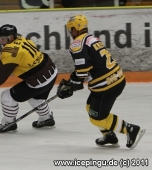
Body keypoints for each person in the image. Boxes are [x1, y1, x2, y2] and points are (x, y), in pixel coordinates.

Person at [57, 15, 145, 149]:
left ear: (75, 29)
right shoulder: (92, 38)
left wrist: (71, 85)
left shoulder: (77, 43)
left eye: (71, 29)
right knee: (90, 107)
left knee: (96, 118)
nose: (70, 33)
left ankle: (130, 129)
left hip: (105, 86)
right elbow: (91, 65)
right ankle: (109, 135)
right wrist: (72, 82)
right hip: (116, 79)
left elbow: (83, 71)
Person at [0, 24, 58, 132]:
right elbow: (5, 64)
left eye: (3, 39)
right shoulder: (21, 39)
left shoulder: (11, 52)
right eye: (0, 38)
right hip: (51, 73)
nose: (1, 42)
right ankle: (46, 118)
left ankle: (9, 123)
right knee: (35, 97)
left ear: (11, 37)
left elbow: (0, 77)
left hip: (39, 80)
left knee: (7, 96)